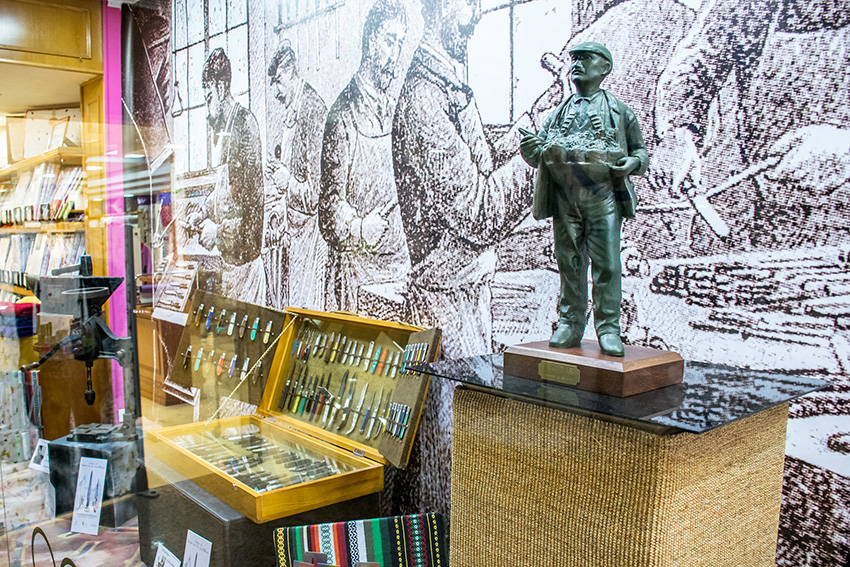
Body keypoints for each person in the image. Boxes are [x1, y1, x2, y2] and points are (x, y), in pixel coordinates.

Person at [392, 0, 535, 358]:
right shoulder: (423, 99)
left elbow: (483, 168)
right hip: (445, 308)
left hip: (465, 295)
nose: (477, 13)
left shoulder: (445, 83)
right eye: (470, 3)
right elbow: (478, 212)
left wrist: (540, 118)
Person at [520, 42, 648, 356]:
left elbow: (640, 152)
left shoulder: (620, 112)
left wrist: (633, 163)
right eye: (574, 59)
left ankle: (608, 328)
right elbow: (539, 153)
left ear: (604, 67)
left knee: (608, 264)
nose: (576, 64)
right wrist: (531, 149)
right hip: (566, 197)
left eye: (585, 59)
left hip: (603, 197)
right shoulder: (558, 113)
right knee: (569, 262)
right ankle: (570, 322)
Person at [319, 0, 410, 313]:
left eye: (400, 44)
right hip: (358, 278)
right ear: (371, 41)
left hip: (399, 272)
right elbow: (329, 207)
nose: (395, 56)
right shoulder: (342, 115)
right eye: (389, 41)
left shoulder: (396, 108)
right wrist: (359, 228)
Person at [188, 47, 265, 303]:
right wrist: (203, 212)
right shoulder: (226, 130)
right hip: (230, 267)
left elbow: (253, 216)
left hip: (246, 270)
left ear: (221, 89)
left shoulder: (244, 126)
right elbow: (225, 191)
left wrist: (218, 231)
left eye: (208, 99)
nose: (207, 111)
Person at [266, 40, 328, 309]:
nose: (276, 93)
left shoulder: (312, 109)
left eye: (278, 82)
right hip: (295, 234)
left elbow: (315, 194)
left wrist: (287, 181)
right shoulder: (293, 109)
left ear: (291, 72)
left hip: (311, 237)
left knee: (307, 312)